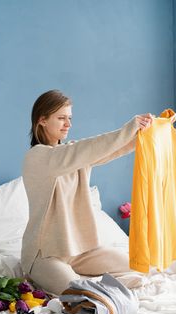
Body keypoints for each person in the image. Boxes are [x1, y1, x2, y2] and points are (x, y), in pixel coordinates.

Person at [21, 89, 153, 295]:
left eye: (70, 118)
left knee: (139, 266)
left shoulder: (71, 154)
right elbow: (87, 149)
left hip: (78, 250)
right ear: (42, 120)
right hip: (44, 255)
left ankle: (117, 288)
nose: (68, 124)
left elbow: (108, 151)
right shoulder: (37, 157)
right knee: (81, 292)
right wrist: (127, 128)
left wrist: (146, 134)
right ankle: (108, 292)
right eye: (61, 118)